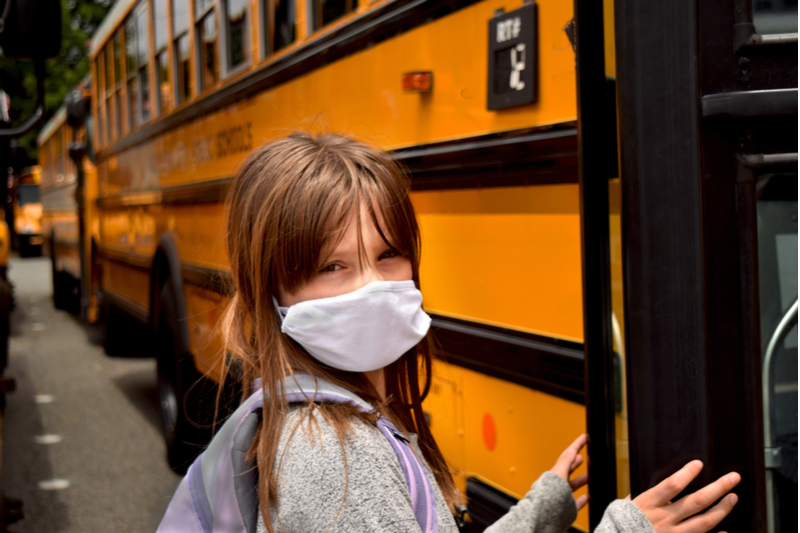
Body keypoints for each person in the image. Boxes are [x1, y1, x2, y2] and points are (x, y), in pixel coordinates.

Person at [158, 132, 740, 533]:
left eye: (388, 255)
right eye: (331, 267)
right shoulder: (334, 453)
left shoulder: (325, 414)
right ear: (273, 291)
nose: (372, 286)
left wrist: (536, 514)